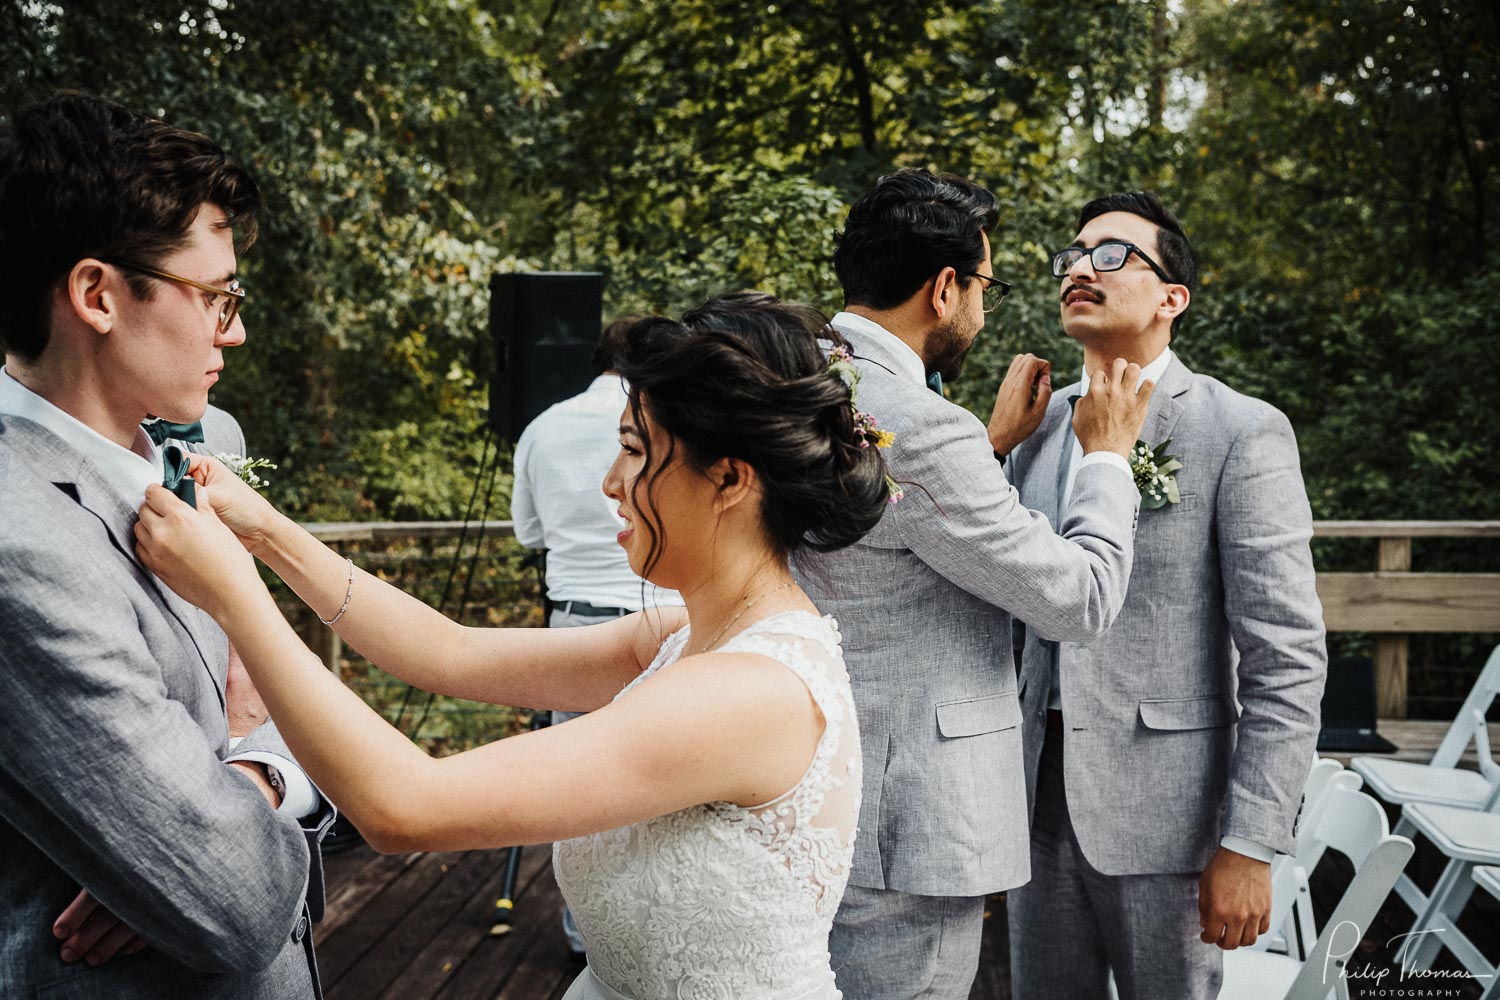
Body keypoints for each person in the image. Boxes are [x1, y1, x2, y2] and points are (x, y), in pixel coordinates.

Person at [134, 293, 893, 999]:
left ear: (728, 477)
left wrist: (234, 596)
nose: (609, 481)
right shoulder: (686, 636)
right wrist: (267, 532)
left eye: (634, 449)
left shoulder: (747, 694)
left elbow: (406, 808)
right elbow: (446, 654)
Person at [792, 168, 1155, 1000]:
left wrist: (986, 450)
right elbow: (1080, 598)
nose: (985, 312)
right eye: (984, 286)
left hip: (814, 781)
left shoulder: (807, 376)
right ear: (945, 287)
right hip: (904, 820)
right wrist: (1106, 456)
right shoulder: (920, 424)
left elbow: (887, 540)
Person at [0, 92, 332, 998]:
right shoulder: (14, 544)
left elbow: (292, 686)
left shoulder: (209, 440)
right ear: (97, 296)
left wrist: (252, 774)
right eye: (215, 297)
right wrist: (260, 777)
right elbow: (231, 897)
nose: (239, 328)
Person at [999, 191, 1326, 1000]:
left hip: (1171, 816)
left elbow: (1285, 654)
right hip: (1030, 803)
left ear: (1172, 298)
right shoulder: (1036, 428)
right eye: (1072, 254)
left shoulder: (1238, 430)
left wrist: (1249, 841)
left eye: (1111, 254)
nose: (1080, 267)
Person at [511, 315, 683, 954]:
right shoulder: (672, 420)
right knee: (665, 792)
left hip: (573, 622)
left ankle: (586, 937)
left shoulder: (542, 426)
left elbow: (529, 533)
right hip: (666, 619)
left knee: (577, 794)